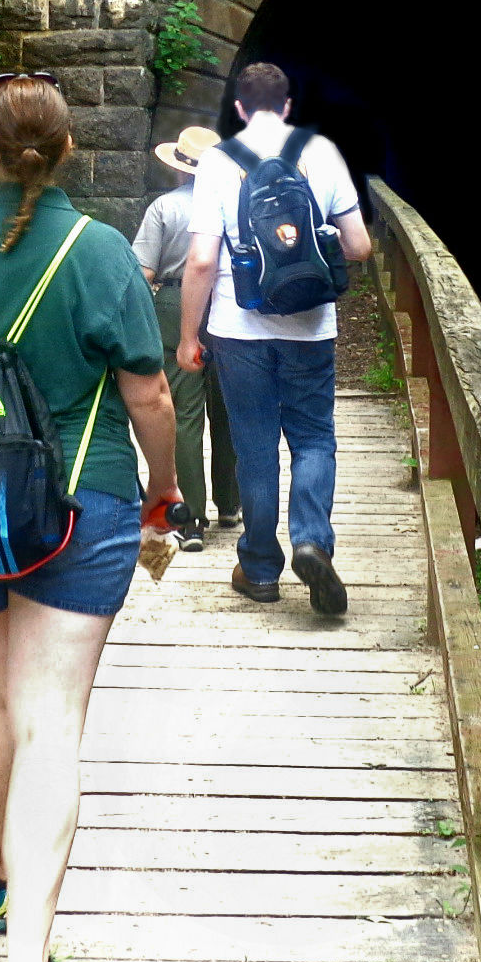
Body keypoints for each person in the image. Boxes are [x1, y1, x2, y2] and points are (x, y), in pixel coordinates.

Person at [0, 75, 175, 962]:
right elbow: (151, 395)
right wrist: (163, 494)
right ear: (67, 151)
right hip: (85, 507)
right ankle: (31, 952)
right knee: (51, 719)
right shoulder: (98, 251)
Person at [177, 61, 372, 616]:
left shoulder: (218, 160)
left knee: (255, 447)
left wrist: (188, 337)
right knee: (313, 439)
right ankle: (312, 540)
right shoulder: (323, 152)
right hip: (311, 328)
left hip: (238, 329)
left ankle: (260, 569)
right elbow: (358, 248)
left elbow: (200, 260)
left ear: (239, 108)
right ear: (287, 105)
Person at [131, 126, 237, 549]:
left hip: (176, 308)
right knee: (227, 410)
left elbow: (143, 273)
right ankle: (231, 503)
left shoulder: (164, 208)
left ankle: (192, 520)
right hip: (227, 306)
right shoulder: (233, 202)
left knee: (187, 417)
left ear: (178, 166)